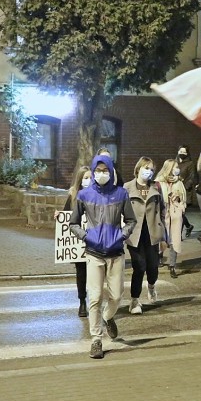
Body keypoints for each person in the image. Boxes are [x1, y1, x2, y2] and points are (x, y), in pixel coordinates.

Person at [69, 153, 136, 359]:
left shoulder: (121, 193)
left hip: (116, 253)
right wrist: (86, 237)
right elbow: (73, 223)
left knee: (116, 296)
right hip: (94, 253)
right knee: (95, 297)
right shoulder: (84, 195)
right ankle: (96, 339)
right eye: (97, 171)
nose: (101, 174)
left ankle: (108, 317)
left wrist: (121, 236)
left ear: (111, 171)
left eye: (105, 170)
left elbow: (131, 220)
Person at [124, 157, 165, 314]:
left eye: (152, 169)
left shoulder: (156, 187)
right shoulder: (127, 187)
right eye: (146, 167)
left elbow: (162, 209)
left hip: (152, 232)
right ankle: (134, 300)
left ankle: (152, 286)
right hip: (135, 233)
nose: (149, 171)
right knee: (139, 266)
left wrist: (163, 234)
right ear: (138, 168)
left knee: (153, 267)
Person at [54, 165, 91, 317]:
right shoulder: (74, 196)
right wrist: (59, 215)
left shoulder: (98, 194)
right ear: (80, 180)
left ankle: (95, 302)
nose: (89, 180)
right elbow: (66, 214)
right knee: (81, 273)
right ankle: (82, 301)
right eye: (85, 178)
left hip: (95, 240)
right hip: (79, 243)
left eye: (90, 177)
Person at [156, 159, 187, 279]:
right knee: (162, 237)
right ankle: (159, 257)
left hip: (175, 214)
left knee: (175, 238)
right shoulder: (159, 182)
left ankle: (172, 266)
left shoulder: (179, 182)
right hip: (163, 213)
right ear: (168, 168)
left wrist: (178, 199)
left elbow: (183, 198)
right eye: (175, 167)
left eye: (177, 167)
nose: (177, 169)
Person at [175, 146, 196, 238]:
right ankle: (188, 226)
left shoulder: (190, 164)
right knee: (178, 213)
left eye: (184, 152)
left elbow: (192, 177)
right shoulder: (175, 162)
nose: (182, 153)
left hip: (185, 191)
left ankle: (178, 235)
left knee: (181, 213)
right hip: (175, 190)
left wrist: (185, 186)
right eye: (181, 151)